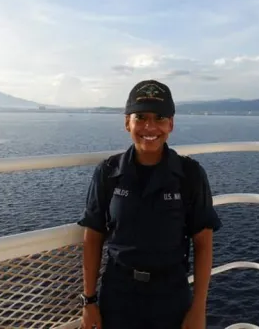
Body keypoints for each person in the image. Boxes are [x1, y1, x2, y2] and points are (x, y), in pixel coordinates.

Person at [77, 79, 222, 329]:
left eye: (160, 118)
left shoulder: (190, 175)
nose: (150, 126)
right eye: (140, 117)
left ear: (171, 124)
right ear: (127, 123)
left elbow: (203, 243)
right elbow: (93, 236)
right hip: (118, 295)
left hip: (171, 296)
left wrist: (198, 308)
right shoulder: (108, 172)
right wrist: (89, 301)